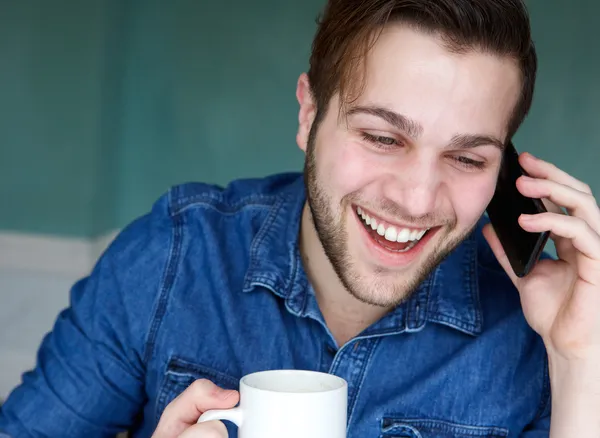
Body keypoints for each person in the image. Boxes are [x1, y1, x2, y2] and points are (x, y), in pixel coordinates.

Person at [2, 0, 600, 436]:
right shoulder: (173, 257)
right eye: (382, 137)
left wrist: (578, 358)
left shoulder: (537, 334)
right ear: (309, 114)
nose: (418, 200)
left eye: (468, 158)